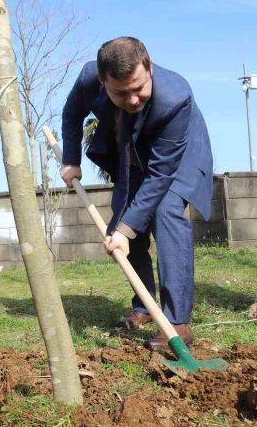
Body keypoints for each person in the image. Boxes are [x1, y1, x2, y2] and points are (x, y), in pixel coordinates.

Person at [61, 37, 213, 351]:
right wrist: (71, 160)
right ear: (103, 82)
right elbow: (71, 113)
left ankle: (176, 322)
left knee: (165, 210)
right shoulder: (88, 79)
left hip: (178, 158)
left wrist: (126, 231)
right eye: (121, 92)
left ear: (150, 68)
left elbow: (161, 174)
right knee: (125, 224)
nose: (132, 99)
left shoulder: (175, 98)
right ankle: (144, 307)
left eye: (139, 88)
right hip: (131, 155)